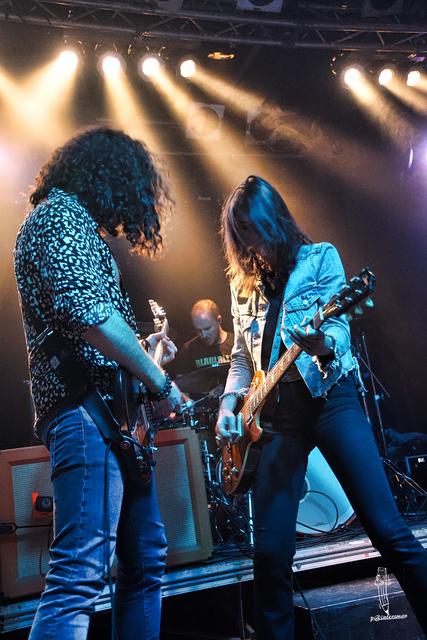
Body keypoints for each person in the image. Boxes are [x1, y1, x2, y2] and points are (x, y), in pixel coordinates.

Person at [216, 175, 427, 640]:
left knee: (388, 531)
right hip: (278, 418)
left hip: (332, 398)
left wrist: (321, 345)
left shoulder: (320, 258)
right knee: (270, 554)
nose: (251, 242)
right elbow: (241, 358)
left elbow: (339, 333)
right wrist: (229, 404)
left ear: (274, 219)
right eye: (241, 233)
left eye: (255, 228)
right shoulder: (242, 285)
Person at [14, 127, 182, 640]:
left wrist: (145, 353)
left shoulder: (74, 224)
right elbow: (90, 317)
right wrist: (160, 382)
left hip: (112, 421)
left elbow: (97, 328)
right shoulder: (58, 217)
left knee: (145, 560)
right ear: (109, 178)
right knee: (79, 575)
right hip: (86, 416)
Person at [169, 299, 234, 378]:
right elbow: (182, 383)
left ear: (219, 320)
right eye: (198, 330)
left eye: (207, 328)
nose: (204, 335)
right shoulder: (188, 350)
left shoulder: (237, 344)